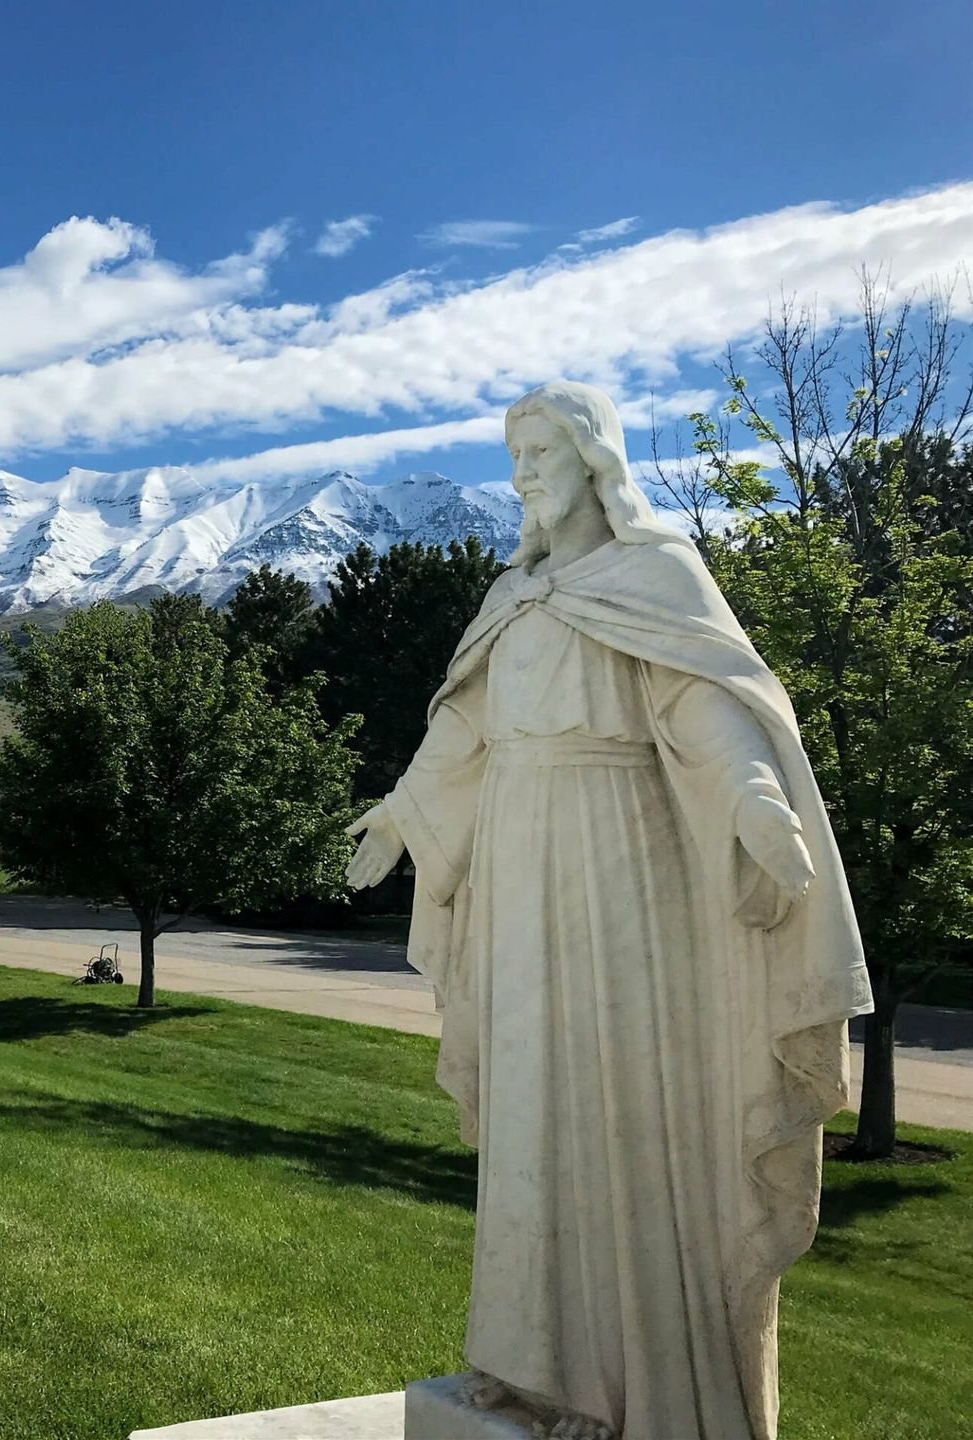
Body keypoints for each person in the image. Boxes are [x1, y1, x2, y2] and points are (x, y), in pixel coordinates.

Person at [345, 381, 871, 1440]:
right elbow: (466, 734)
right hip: (521, 871)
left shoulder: (654, 577)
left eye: (540, 451)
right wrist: (403, 817)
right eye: (515, 454)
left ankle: (621, 1384)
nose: (524, 473)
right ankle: (528, 1363)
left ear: (594, 457)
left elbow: (708, 705)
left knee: (617, 1104)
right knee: (536, 1101)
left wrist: (756, 801)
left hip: (621, 863)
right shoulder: (514, 598)